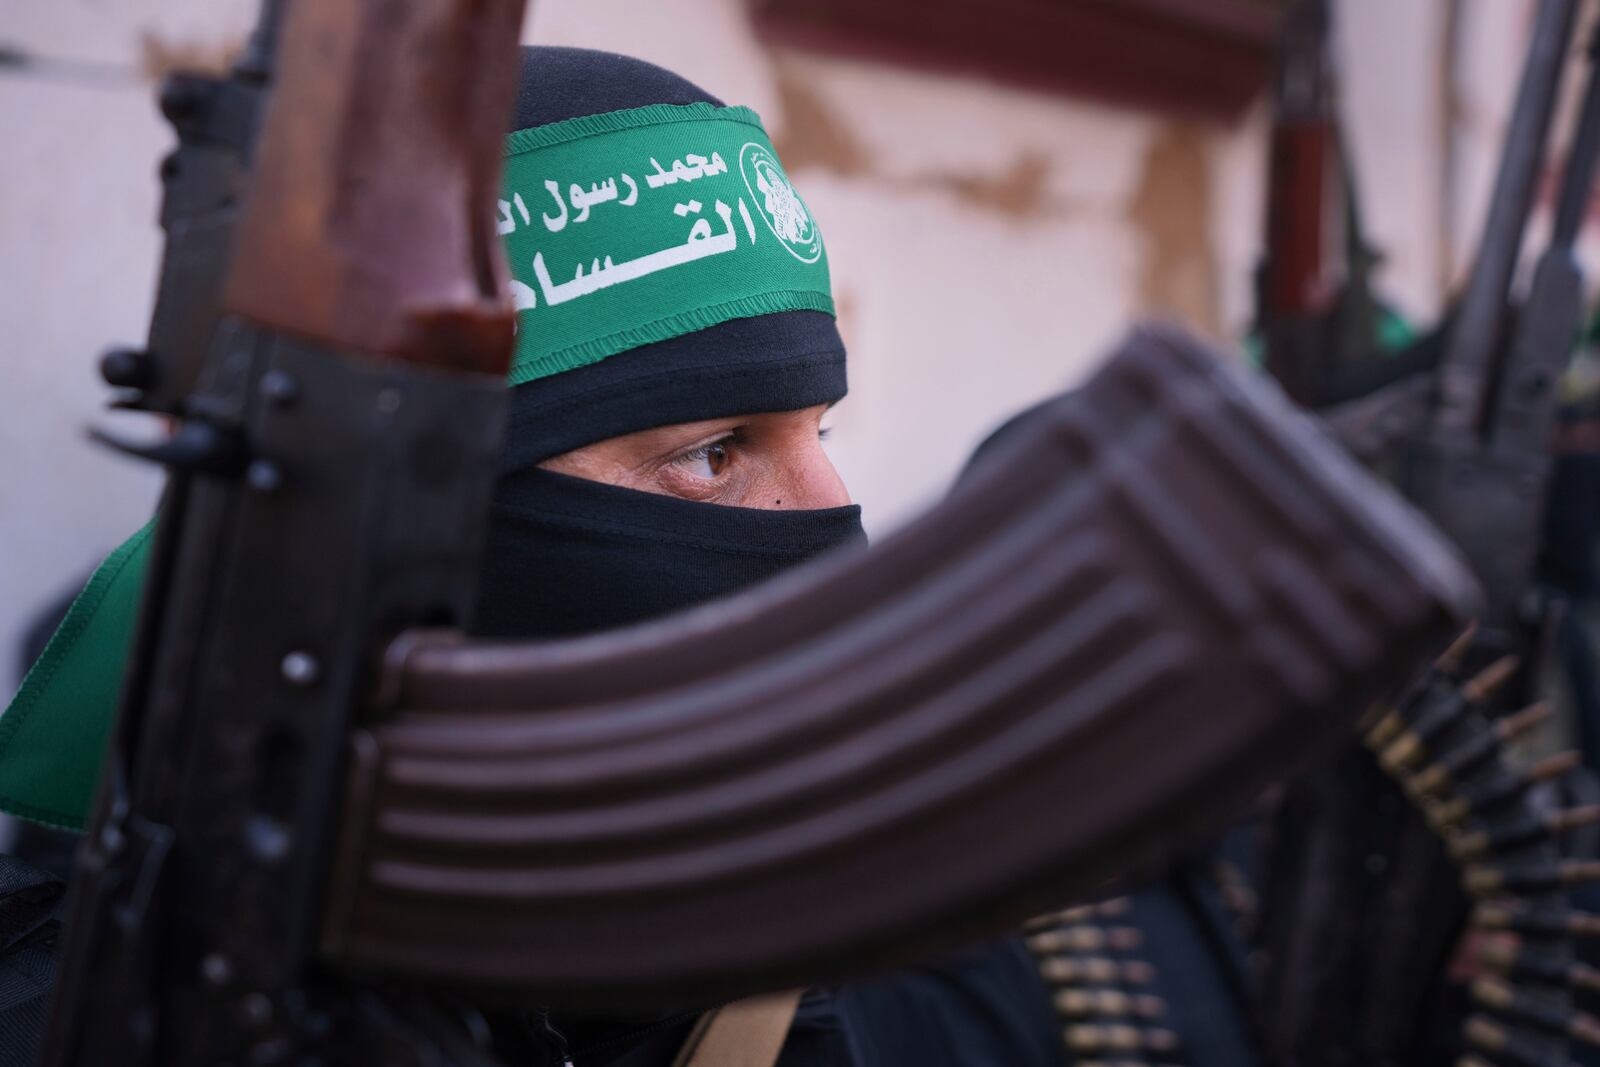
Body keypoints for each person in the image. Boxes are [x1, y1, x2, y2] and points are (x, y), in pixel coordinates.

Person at [0, 46, 1263, 1067]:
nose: (838, 520)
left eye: (819, 432)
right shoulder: (118, 984)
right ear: (433, 521)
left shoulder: (792, 930)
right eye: (715, 452)